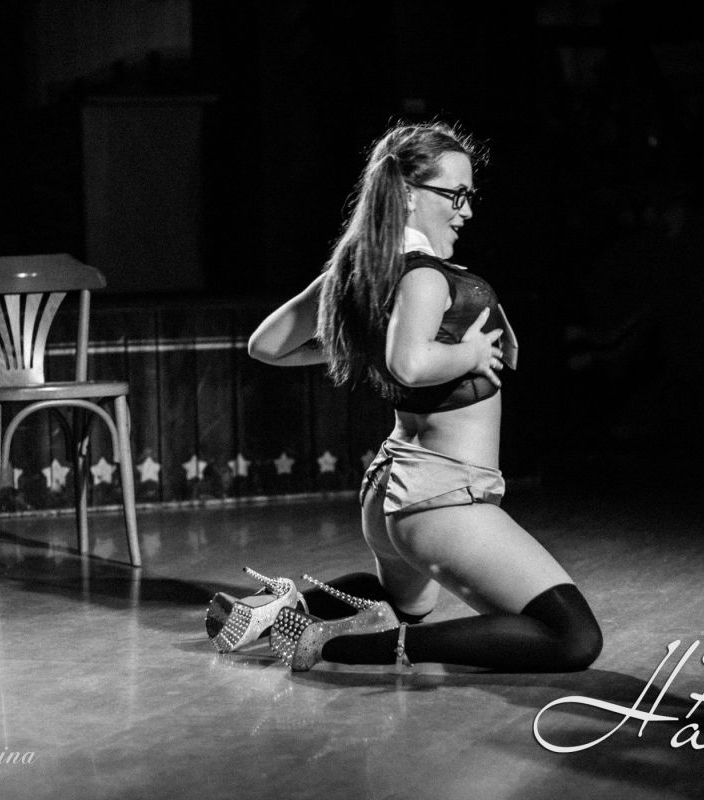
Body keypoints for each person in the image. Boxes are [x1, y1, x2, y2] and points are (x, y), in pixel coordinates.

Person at [209, 121, 602, 672]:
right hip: (440, 500)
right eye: (456, 195)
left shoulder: (360, 269)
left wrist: (365, 345)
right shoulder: (422, 276)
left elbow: (266, 345)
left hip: (392, 489)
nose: (467, 210)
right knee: (572, 639)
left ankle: (282, 609)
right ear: (409, 194)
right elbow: (409, 364)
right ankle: (330, 644)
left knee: (405, 605)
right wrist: (468, 355)